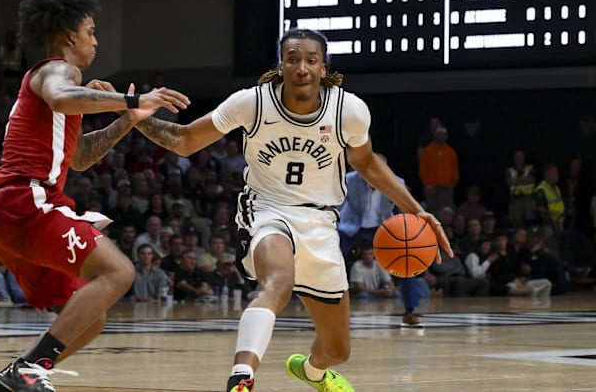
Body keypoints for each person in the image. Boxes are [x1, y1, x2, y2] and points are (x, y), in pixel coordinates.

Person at [131, 28, 451, 392]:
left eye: (311, 60)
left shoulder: (349, 110)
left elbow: (367, 163)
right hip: (267, 210)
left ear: (323, 67)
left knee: (337, 350)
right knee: (277, 282)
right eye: (293, 59)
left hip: (321, 223)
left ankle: (313, 372)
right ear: (281, 65)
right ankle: (242, 374)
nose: (302, 67)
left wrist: (419, 210)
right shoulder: (252, 102)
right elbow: (186, 140)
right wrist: (135, 115)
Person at [0, 0, 189, 391]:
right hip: (26, 202)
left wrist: (130, 116)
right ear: (70, 35)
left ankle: (9, 383)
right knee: (119, 271)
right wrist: (132, 98)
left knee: (90, 317)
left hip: (8, 214)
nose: (96, 40)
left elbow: (81, 156)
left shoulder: (63, 89)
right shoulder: (58, 71)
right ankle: (29, 370)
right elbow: (62, 96)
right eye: (91, 31)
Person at [338, 165, 426, 328]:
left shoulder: (396, 182)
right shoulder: (349, 179)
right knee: (331, 259)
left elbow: (406, 208)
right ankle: (329, 311)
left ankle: (410, 311)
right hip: (352, 225)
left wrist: (409, 231)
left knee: (407, 260)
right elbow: (336, 205)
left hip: (384, 226)